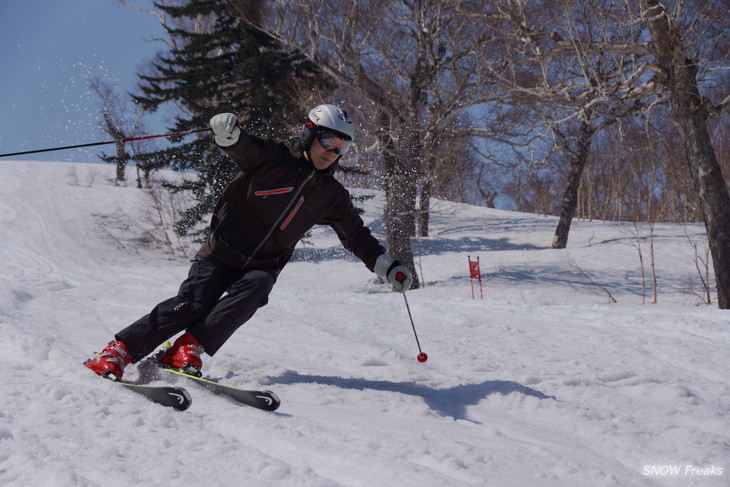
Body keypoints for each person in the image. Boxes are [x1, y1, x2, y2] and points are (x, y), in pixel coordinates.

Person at [85, 104, 413, 380]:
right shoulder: (273, 158)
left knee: (257, 287)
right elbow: (244, 147)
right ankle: (120, 350)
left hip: (262, 266)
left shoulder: (331, 196)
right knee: (193, 304)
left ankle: (187, 348)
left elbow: (356, 236)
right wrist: (229, 135)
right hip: (221, 252)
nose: (332, 152)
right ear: (309, 134)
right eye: (328, 140)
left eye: (342, 146)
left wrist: (386, 266)